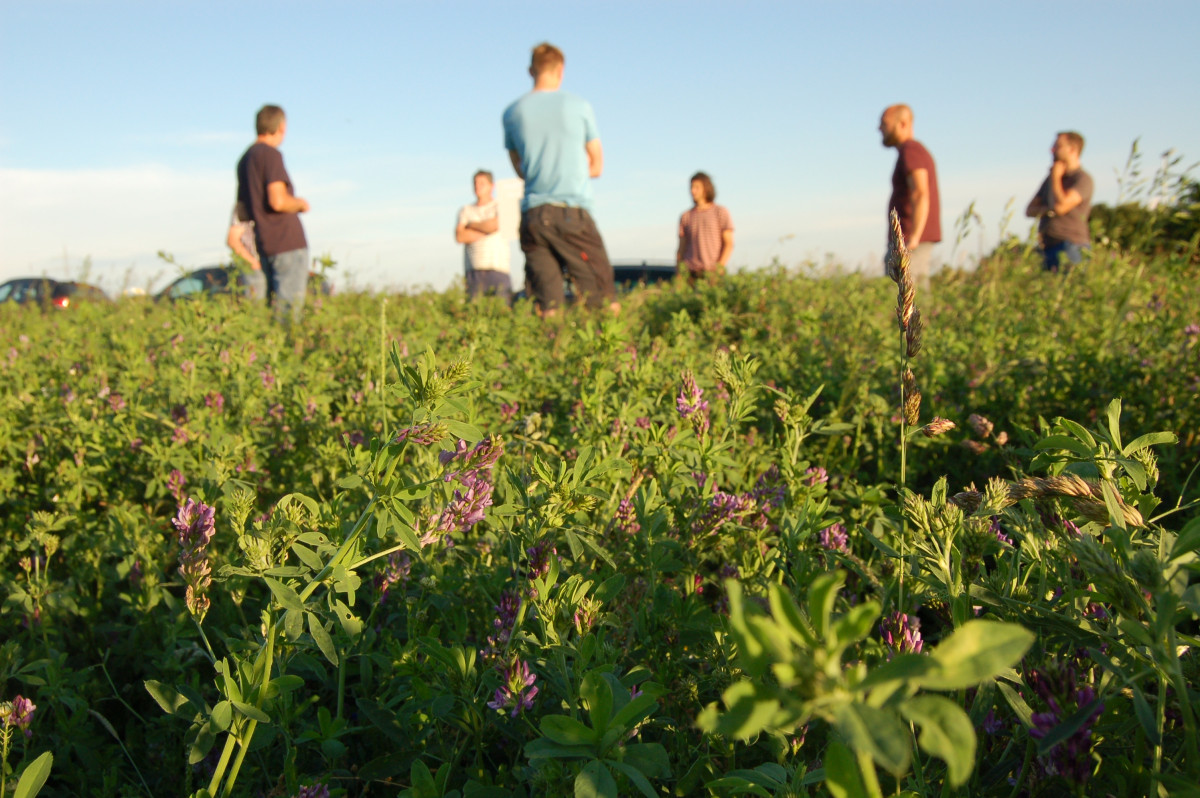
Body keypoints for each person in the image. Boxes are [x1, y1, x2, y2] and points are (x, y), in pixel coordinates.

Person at [503, 43, 617, 314]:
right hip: (571, 213)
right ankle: (613, 354)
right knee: (603, 298)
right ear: (560, 70)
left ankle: (552, 348)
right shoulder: (578, 106)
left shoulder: (512, 113)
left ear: (531, 70)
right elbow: (597, 165)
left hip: (533, 216)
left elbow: (520, 169)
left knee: (547, 306)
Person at [236, 105, 310, 323]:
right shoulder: (271, 155)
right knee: (289, 312)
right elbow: (277, 201)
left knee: (271, 311)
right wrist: (300, 204)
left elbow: (242, 208)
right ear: (281, 127)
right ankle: (288, 354)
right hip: (287, 242)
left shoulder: (245, 159)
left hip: (264, 243)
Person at [879, 104, 941, 285]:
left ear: (903, 123)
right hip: (907, 240)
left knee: (911, 300)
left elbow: (920, 193)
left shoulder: (911, 151)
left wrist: (912, 239)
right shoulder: (910, 151)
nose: (880, 128)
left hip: (909, 242)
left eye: (884, 123)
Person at [1025, 131, 1094, 272]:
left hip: (1072, 246)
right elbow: (1030, 210)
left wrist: (1056, 178)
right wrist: (1049, 210)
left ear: (1072, 149)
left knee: (1070, 291)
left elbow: (1061, 207)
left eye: (1057, 146)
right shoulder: (1049, 180)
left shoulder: (1082, 179)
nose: (1052, 150)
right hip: (1046, 247)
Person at [455, 170, 512, 302]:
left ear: (492, 186)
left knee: (502, 310)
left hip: (498, 269)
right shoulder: (465, 210)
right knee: (475, 312)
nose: (477, 186)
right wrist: (487, 229)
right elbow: (460, 236)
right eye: (475, 183)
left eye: (482, 183)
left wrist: (470, 225)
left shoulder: (501, 205)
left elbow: (495, 225)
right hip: (473, 271)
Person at [677, 171, 734, 280]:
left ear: (706, 188)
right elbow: (681, 249)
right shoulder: (686, 216)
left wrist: (719, 268)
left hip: (712, 272)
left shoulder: (720, 212)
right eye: (691, 187)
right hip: (690, 274)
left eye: (697, 187)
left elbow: (729, 244)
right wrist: (679, 274)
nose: (693, 191)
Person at [227, 201, 266, 300]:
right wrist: (253, 263)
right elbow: (232, 240)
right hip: (255, 267)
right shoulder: (243, 205)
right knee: (257, 308)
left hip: (270, 264)